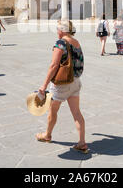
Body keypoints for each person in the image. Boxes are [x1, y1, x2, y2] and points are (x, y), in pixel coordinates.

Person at [36, 20, 87, 153]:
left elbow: (54, 66)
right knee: (76, 113)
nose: (57, 31)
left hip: (62, 84)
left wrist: (44, 85)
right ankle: (82, 142)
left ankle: (47, 135)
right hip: (75, 82)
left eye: (58, 29)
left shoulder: (61, 43)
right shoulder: (76, 42)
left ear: (62, 30)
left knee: (52, 111)